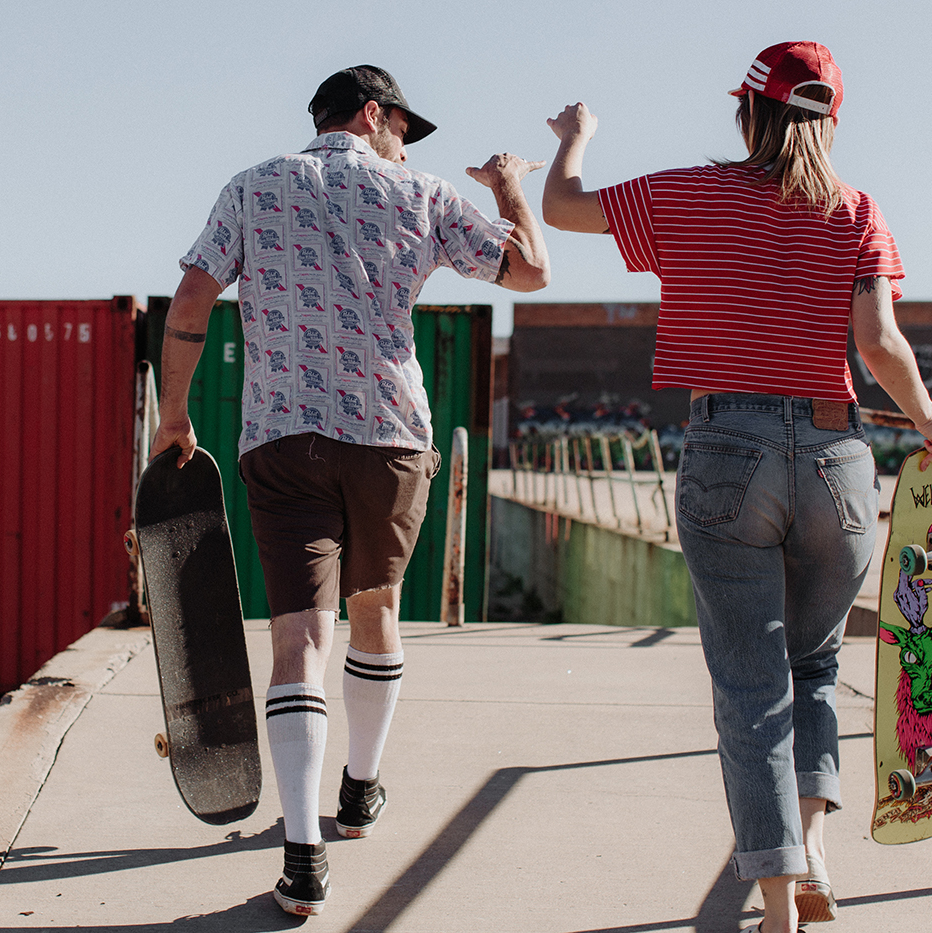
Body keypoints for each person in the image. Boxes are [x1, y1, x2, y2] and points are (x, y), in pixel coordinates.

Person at [541, 42, 932, 933]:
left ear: (750, 113)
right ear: (832, 119)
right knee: (814, 665)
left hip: (728, 448)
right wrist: (928, 420)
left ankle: (778, 910)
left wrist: (576, 137)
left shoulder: (689, 193)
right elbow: (880, 345)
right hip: (836, 461)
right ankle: (813, 855)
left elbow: (560, 208)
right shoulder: (858, 211)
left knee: (749, 683)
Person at [152, 64, 549, 916]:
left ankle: (301, 857)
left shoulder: (252, 187)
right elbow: (529, 273)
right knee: (376, 610)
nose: (404, 146)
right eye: (403, 128)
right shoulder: (425, 196)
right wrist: (513, 189)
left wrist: (174, 415)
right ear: (373, 116)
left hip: (283, 438)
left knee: (299, 639)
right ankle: (360, 789)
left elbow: (191, 297)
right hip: (390, 440)